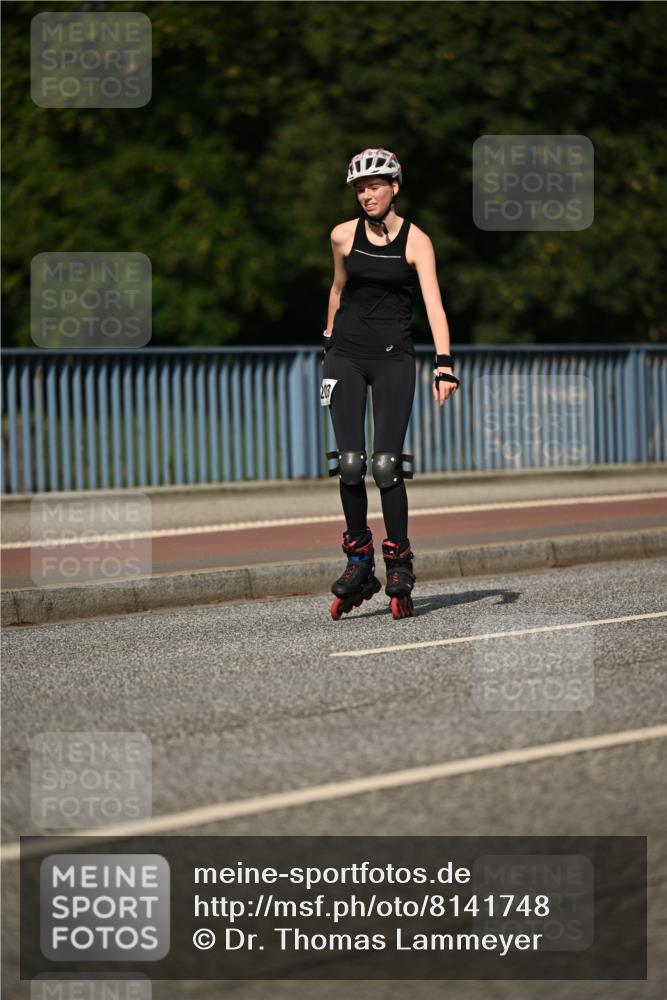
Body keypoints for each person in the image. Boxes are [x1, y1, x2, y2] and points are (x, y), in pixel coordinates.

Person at [321, 147, 459, 621]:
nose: (367, 195)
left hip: (394, 357)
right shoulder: (342, 235)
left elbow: (434, 305)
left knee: (385, 465)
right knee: (350, 463)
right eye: (360, 188)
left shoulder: (417, 242)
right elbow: (338, 289)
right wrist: (327, 343)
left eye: (375, 186)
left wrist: (444, 365)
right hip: (345, 355)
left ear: (394, 187)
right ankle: (359, 561)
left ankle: (399, 561)